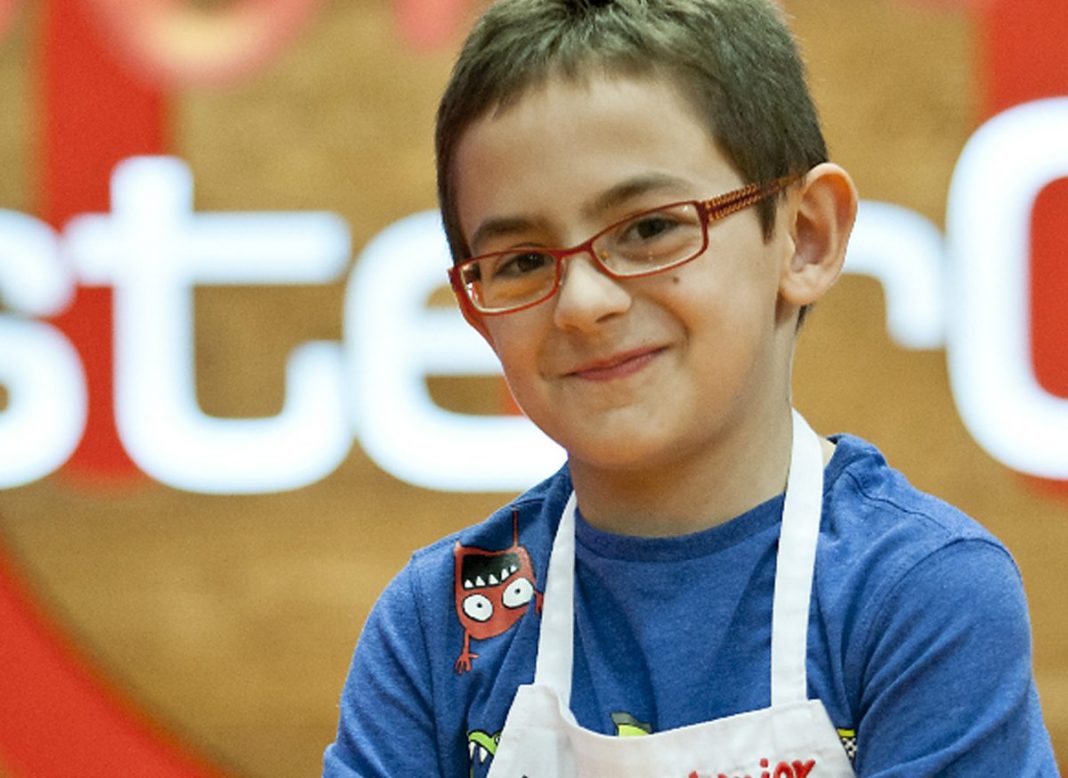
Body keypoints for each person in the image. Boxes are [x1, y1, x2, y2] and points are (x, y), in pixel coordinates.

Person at [324, 0, 1059, 775]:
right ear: (477, 312)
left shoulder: (915, 593)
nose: (583, 303)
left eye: (648, 229)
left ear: (806, 235)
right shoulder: (441, 623)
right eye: (522, 262)